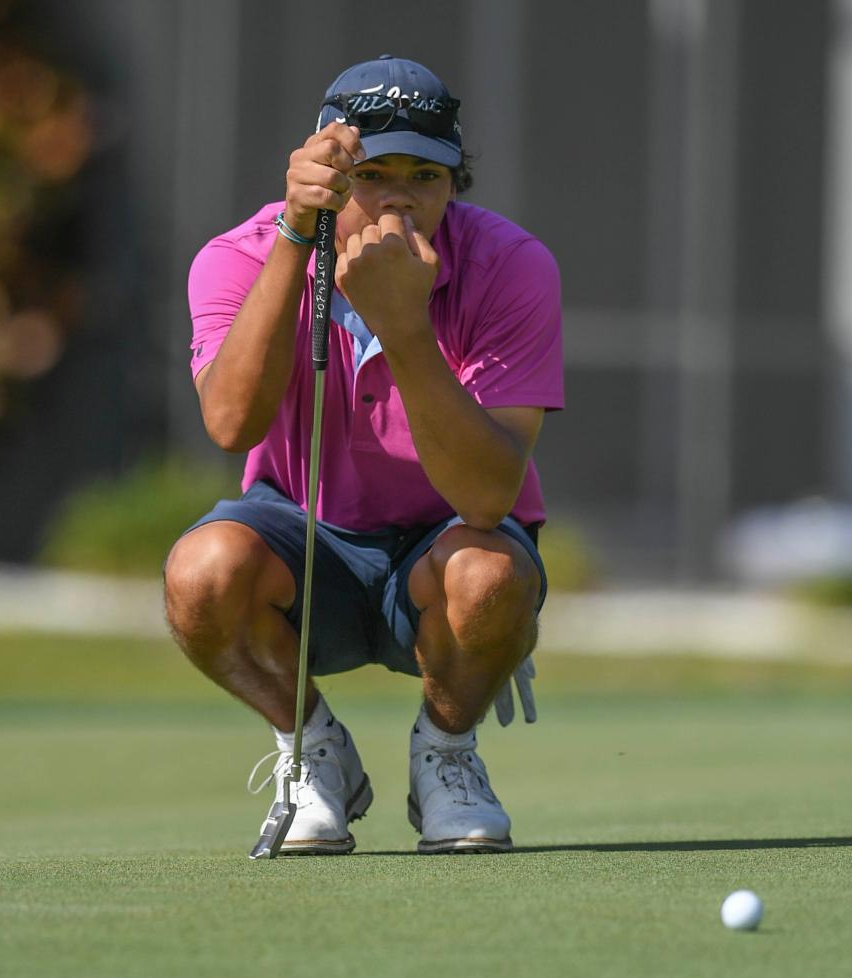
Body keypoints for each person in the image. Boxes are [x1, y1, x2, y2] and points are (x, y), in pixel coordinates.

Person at [163, 55, 563, 855]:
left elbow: (487, 499)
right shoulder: (236, 256)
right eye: (373, 173)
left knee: (489, 575)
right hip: (306, 537)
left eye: (426, 174)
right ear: (326, 174)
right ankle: (313, 753)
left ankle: (445, 758)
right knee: (200, 572)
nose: (399, 197)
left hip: (447, 544)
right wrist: (294, 236)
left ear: (455, 182)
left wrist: (405, 326)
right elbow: (232, 424)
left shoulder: (510, 265)